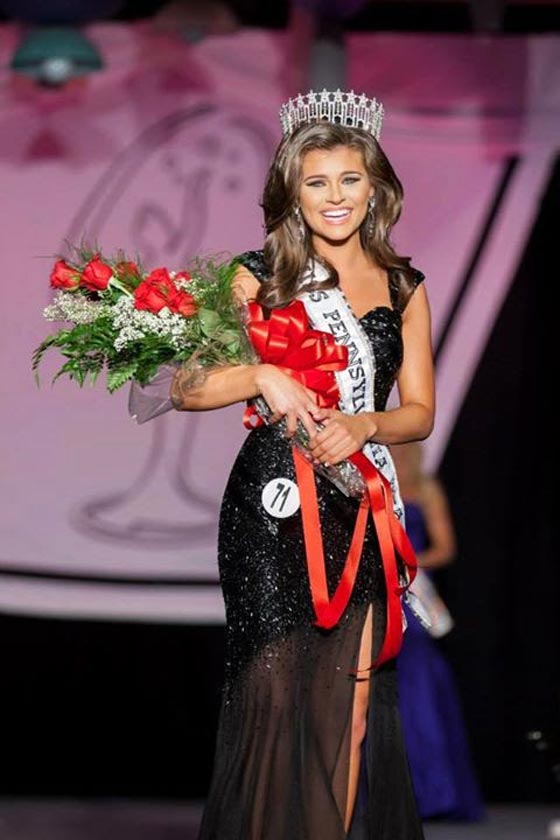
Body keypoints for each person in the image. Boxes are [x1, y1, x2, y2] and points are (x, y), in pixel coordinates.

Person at [170, 90, 434, 839]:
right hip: (275, 503)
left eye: (350, 179)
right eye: (317, 182)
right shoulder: (257, 275)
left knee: (352, 708)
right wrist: (260, 374)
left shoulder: (404, 286)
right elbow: (187, 387)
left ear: (376, 187)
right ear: (293, 190)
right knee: (277, 699)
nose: (335, 196)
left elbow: (419, 412)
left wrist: (365, 423)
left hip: (363, 499)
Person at [392, 441, 485, 822]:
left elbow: (445, 548)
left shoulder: (426, 488)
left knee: (418, 690)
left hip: (412, 595)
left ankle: (433, 792)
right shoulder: (371, 480)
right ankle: (382, 794)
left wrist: (408, 565)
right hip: (377, 590)